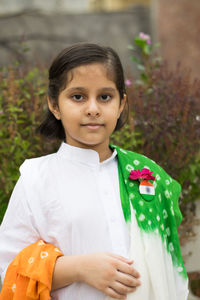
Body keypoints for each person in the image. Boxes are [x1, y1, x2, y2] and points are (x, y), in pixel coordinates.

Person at [0, 43, 189, 300]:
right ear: (55, 105)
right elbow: (8, 270)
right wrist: (78, 269)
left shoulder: (147, 174)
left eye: (105, 97)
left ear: (121, 104)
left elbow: (169, 265)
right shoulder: (37, 179)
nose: (93, 108)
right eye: (78, 96)